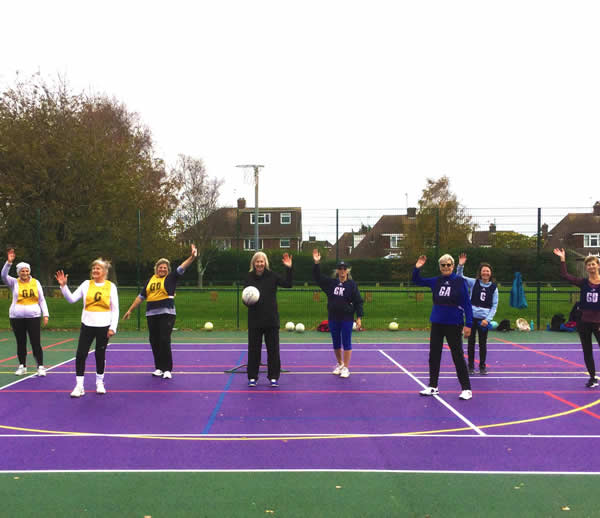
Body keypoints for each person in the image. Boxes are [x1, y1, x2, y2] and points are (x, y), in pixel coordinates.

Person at [122, 245, 197, 379]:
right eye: (160, 267)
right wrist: (130, 310)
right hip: (151, 314)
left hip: (167, 313)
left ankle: (167, 369)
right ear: (156, 269)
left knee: (164, 339)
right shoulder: (150, 280)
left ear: (168, 270)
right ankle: (159, 368)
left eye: (165, 268)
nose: (162, 269)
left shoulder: (171, 278)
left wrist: (192, 257)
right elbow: (141, 297)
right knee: (154, 340)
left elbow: (182, 266)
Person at [412, 254, 473, 400]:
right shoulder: (436, 281)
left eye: (449, 265)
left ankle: (466, 389)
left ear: (453, 266)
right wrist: (417, 268)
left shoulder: (459, 281)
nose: (446, 267)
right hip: (437, 322)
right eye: (443, 265)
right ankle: (433, 386)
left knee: (457, 355)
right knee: (434, 355)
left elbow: (466, 304)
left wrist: (468, 324)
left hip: (454, 323)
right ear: (440, 267)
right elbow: (417, 280)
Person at [55, 258, 119, 397]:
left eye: (98, 268)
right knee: (81, 354)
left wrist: (113, 327)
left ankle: (99, 382)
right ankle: (79, 386)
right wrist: (63, 286)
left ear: (105, 271)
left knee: (99, 354)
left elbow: (115, 309)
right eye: (93, 268)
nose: (95, 270)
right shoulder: (86, 284)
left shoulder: (110, 286)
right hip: (87, 326)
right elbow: (71, 299)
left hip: (104, 326)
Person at [312, 249, 363, 378]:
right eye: (340, 268)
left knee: (346, 342)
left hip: (346, 318)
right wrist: (317, 263)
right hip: (333, 318)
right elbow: (318, 278)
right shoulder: (331, 283)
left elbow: (358, 301)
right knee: (335, 343)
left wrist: (359, 318)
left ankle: (346, 367)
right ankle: (340, 364)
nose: (342, 271)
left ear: (347, 270)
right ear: (337, 271)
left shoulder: (352, 285)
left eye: (344, 268)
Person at [244, 251, 293, 387]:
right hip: (255, 320)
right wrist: (247, 301)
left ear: (265, 263)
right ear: (253, 263)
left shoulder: (272, 276)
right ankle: (252, 377)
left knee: (273, 350)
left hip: (271, 320)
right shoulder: (249, 277)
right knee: (254, 350)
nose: (260, 264)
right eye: (257, 261)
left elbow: (288, 284)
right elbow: (245, 297)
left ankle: (273, 377)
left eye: (262, 261)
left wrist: (288, 268)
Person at [553, 248, 600, 388]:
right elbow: (565, 275)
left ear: (598, 265)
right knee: (587, 351)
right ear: (586, 267)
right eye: (589, 264)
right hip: (584, 322)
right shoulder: (583, 282)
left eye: (594, 264)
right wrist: (562, 259)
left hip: (598, 322)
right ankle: (592, 377)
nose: (591, 266)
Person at [1, 248, 49, 376]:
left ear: (29, 271)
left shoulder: (36, 282)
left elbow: (42, 300)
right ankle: (22, 366)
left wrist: (45, 314)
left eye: (27, 270)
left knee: (35, 342)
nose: (25, 272)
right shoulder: (13, 282)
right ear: (18, 272)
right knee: (21, 342)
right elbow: (3, 275)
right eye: (22, 270)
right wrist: (9, 262)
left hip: (33, 317)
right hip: (16, 317)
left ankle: (40, 366)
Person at [457, 253, 498, 375]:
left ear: (490, 273)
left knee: (482, 344)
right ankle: (470, 366)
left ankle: (482, 366)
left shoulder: (494, 288)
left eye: (487, 271)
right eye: (483, 271)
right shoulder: (474, 282)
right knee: (470, 343)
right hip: (472, 318)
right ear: (480, 273)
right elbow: (459, 277)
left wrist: (488, 319)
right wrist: (460, 265)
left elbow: (494, 305)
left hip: (484, 320)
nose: (485, 273)